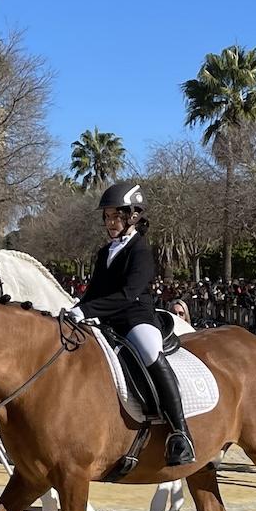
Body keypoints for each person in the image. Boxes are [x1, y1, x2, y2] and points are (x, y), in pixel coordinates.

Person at [66, 180, 195, 466]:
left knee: (150, 353)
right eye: (107, 217)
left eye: (115, 216)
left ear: (132, 216)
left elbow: (128, 293)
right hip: (108, 321)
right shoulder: (104, 253)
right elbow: (93, 293)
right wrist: (73, 309)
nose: (110, 222)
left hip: (137, 318)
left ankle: (180, 433)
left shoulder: (140, 251)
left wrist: (87, 310)